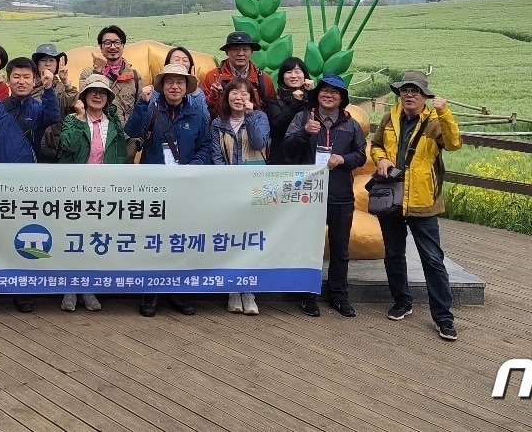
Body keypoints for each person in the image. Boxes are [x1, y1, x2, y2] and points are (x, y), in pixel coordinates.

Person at [369, 70, 462, 341]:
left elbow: (455, 144)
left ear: (425, 96)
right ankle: (402, 301)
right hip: (392, 197)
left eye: (416, 91)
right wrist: (382, 159)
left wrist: (445, 113)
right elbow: (375, 146)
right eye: (405, 90)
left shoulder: (435, 121)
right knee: (394, 253)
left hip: (423, 200)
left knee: (432, 259)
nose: (409, 95)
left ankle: (444, 317)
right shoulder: (390, 117)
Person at [0, 57, 61, 313]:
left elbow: (53, 116)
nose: (21, 81)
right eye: (16, 77)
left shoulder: (37, 108)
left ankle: (22, 290)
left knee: (23, 235)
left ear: (33, 80)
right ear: (8, 79)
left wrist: (49, 87)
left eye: (26, 77)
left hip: (28, 184)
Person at [124, 62, 212, 317]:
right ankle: (149, 293)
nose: (175, 86)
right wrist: (141, 104)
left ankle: (178, 291)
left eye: (180, 82)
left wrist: (191, 167)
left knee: (180, 239)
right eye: (170, 82)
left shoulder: (197, 115)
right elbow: (131, 132)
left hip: (185, 187)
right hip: (154, 186)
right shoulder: (150, 109)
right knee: (153, 239)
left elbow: (205, 147)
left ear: (186, 87)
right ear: (162, 86)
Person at [283, 74, 367, 318]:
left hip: (341, 194)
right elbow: (287, 149)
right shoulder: (303, 118)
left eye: (335, 92)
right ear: (317, 93)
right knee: (310, 246)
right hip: (309, 194)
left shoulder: (351, 124)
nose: (329, 95)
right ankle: (308, 295)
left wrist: (344, 159)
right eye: (324, 91)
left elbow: (360, 155)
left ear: (342, 98)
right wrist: (305, 133)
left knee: (340, 248)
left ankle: (339, 295)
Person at [56, 73, 129, 313]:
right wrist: (78, 118)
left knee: (94, 238)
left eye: (102, 92)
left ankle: (88, 287)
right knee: (73, 238)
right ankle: (70, 287)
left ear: (108, 98)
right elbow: (67, 146)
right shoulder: (72, 120)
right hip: (75, 189)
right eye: (92, 91)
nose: (97, 96)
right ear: (84, 96)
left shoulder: (113, 124)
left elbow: (119, 157)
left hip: (104, 191)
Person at [209, 78, 270, 315]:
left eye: (244, 93)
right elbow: (215, 155)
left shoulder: (261, 118)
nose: (239, 97)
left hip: (255, 189)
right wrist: (227, 182)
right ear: (226, 97)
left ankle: (249, 291)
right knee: (231, 239)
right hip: (228, 189)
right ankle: (233, 290)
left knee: (251, 239)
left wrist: (251, 116)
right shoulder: (218, 123)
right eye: (233, 92)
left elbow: (258, 143)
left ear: (251, 97)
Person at [199, 31, 277, 118]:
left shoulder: (263, 79)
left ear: (251, 52)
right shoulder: (213, 76)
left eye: (245, 49)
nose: (240, 54)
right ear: (227, 52)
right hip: (221, 129)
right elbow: (203, 111)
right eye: (235, 49)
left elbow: (271, 111)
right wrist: (214, 96)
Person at [79, 25, 142, 127]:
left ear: (123, 45)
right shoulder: (88, 73)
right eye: (108, 43)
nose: (113, 47)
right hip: (97, 135)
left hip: (126, 137)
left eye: (117, 42)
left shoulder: (134, 76)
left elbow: (140, 109)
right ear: (101, 47)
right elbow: (82, 102)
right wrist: (98, 72)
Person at [265, 57, 312, 164]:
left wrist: (311, 93)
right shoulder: (274, 101)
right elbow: (277, 124)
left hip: (309, 157)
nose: (293, 76)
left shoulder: (313, 98)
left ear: (305, 75)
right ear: (282, 77)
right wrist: (296, 103)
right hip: (282, 158)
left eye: (297, 72)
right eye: (288, 72)